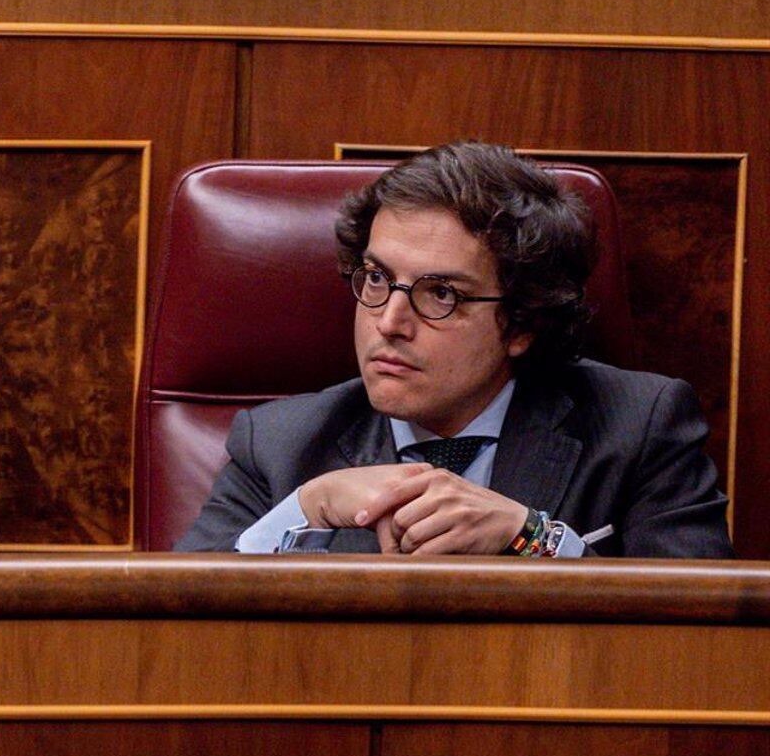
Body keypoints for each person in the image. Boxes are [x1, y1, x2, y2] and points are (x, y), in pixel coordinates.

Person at [175, 140, 732, 558]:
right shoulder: (278, 445)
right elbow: (178, 630)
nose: (388, 322)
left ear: (521, 324)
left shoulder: (641, 427)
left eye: (440, 293)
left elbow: (699, 642)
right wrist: (303, 509)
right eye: (375, 278)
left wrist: (532, 539)